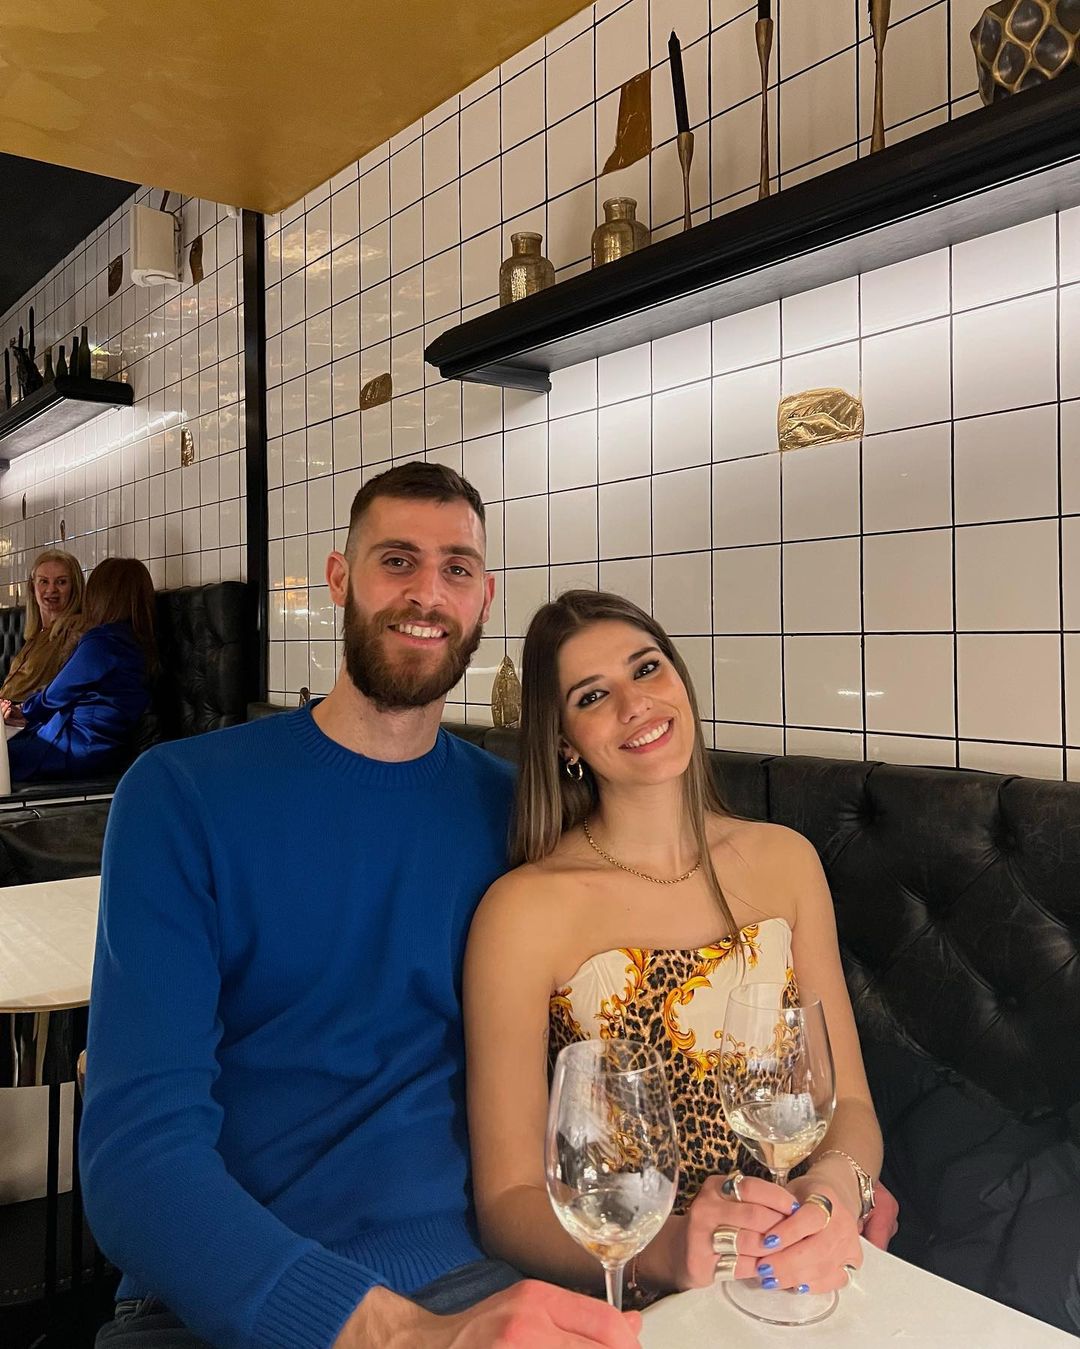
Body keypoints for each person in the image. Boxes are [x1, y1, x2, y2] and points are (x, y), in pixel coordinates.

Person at [81, 465, 642, 1349]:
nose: (428, 594)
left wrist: (830, 1180)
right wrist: (395, 1332)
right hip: (220, 1298)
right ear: (340, 579)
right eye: (397, 561)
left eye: (457, 569)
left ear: (484, 599)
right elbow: (134, 1162)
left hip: (483, 1275)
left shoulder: (520, 816)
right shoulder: (181, 795)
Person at [464, 589, 893, 1307]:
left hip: (796, 1266)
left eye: (647, 668)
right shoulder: (522, 911)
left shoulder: (786, 862)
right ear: (564, 740)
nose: (636, 704)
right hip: (640, 1291)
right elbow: (507, 1204)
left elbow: (847, 1102)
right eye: (593, 695)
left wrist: (834, 1193)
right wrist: (666, 1252)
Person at [6, 557, 156, 782]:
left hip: (76, 748)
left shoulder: (102, 641)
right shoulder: (136, 642)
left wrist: (23, 711)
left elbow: (58, 692)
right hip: (104, 750)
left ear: (100, 595)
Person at [0, 547, 85, 715]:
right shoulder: (37, 635)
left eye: (61, 582)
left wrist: (22, 711)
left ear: (74, 587)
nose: (51, 589)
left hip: (28, 721)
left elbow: (65, 690)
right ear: (32, 587)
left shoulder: (76, 628)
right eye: (44, 581)